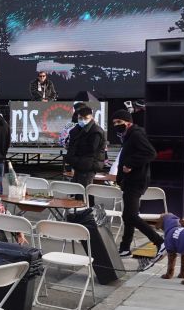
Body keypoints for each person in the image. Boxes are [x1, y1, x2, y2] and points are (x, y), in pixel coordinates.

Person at [111, 109, 166, 257]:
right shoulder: (128, 135)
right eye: (114, 123)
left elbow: (150, 153)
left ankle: (160, 242)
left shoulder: (135, 134)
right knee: (128, 215)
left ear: (128, 122)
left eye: (119, 122)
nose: (116, 125)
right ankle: (125, 247)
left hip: (136, 180)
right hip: (130, 180)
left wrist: (130, 164)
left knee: (130, 216)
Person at [64, 105, 107, 189]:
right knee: (78, 190)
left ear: (91, 117)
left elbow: (91, 150)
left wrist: (74, 155)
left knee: (84, 191)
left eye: (85, 118)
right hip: (79, 163)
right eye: (80, 118)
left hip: (88, 165)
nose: (82, 120)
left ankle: (87, 202)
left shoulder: (96, 131)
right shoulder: (76, 129)